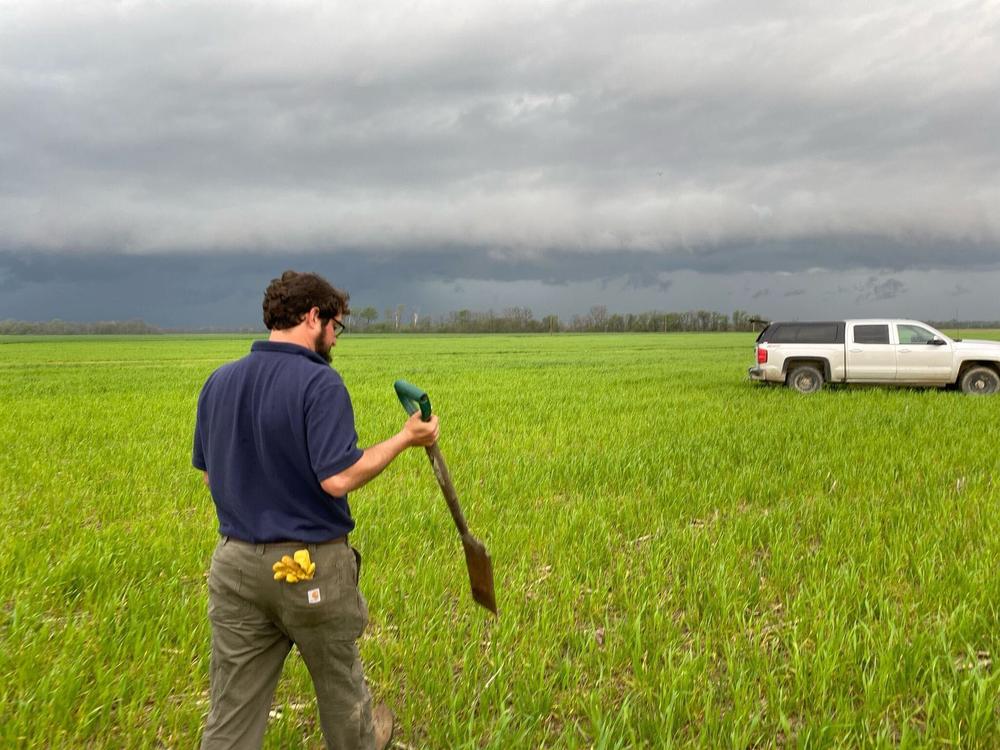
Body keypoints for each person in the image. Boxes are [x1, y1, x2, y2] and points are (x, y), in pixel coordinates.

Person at [193, 270, 439, 750]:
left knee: (231, 708)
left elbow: (209, 475)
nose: (335, 338)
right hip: (309, 570)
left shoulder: (218, 382)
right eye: (336, 326)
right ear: (313, 317)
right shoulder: (319, 383)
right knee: (340, 687)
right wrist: (407, 438)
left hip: (234, 566)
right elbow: (338, 477)